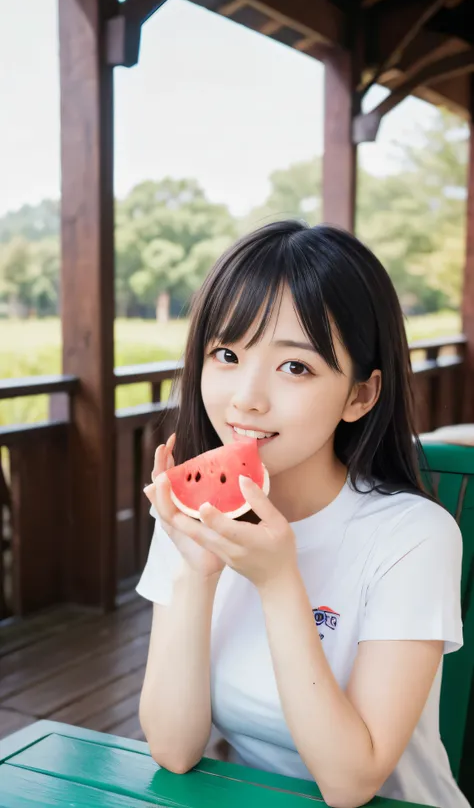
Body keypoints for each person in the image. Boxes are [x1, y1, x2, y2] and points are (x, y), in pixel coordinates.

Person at [138, 220, 468, 808]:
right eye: (227, 353)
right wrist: (195, 572)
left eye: (296, 367)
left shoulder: (414, 537)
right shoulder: (192, 514)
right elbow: (174, 747)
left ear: (360, 396)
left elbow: (351, 783)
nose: (246, 396)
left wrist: (279, 581)